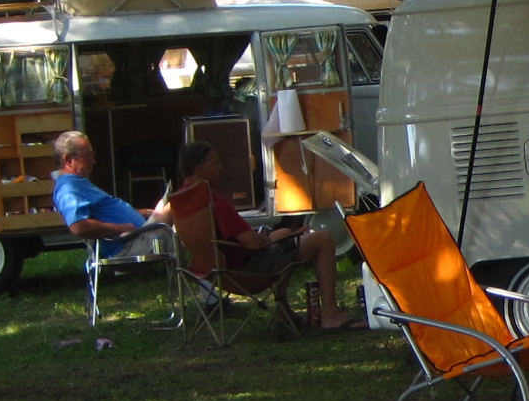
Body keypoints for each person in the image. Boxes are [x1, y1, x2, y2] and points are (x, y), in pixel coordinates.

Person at [155, 138, 354, 328]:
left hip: (215, 271)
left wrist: (276, 237)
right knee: (323, 239)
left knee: (283, 234)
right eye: (215, 163)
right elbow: (253, 243)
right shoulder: (213, 202)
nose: (221, 168)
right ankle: (330, 315)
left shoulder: (181, 201)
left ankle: (283, 312)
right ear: (199, 170)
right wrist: (269, 238)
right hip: (247, 272)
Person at [51, 130, 158, 242]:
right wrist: (122, 228)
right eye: (88, 156)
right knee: (169, 208)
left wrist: (145, 213)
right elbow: (78, 226)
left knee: (166, 209)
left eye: (92, 155)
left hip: (141, 234)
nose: (93, 161)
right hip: (131, 242)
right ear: (68, 160)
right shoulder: (68, 189)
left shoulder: (78, 183)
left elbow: (108, 212)